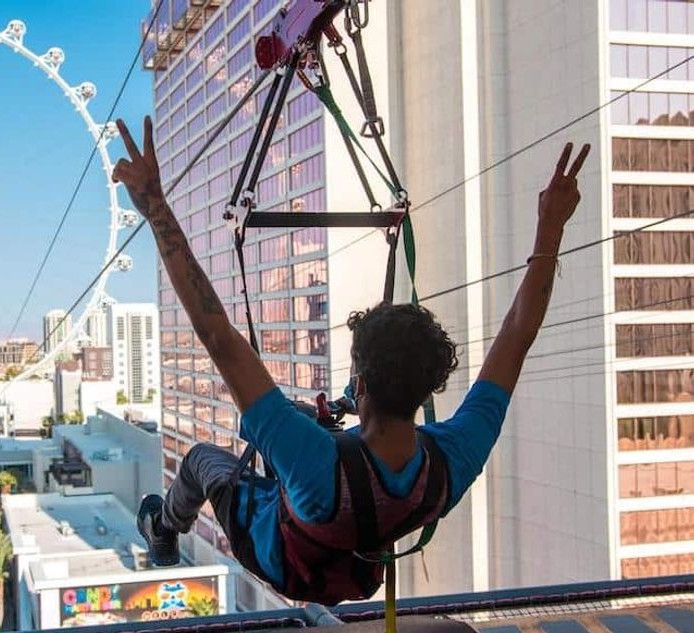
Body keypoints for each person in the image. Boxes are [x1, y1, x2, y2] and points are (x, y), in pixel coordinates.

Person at [112, 115, 589, 604]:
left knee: (202, 461)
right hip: (352, 561)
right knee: (295, 423)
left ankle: (164, 527)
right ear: (428, 390)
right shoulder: (451, 462)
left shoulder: (314, 459)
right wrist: (550, 228)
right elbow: (517, 335)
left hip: (275, 550)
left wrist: (157, 209)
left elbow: (217, 335)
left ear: (360, 385)